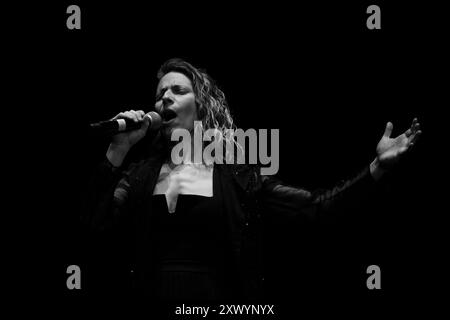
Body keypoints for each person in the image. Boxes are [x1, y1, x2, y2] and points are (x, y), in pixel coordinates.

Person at [83, 58, 421, 301]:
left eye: (177, 90)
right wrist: (118, 149)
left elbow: (317, 207)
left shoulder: (238, 177)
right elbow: (94, 227)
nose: (164, 98)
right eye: (160, 93)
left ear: (200, 106)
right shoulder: (140, 174)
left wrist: (376, 167)